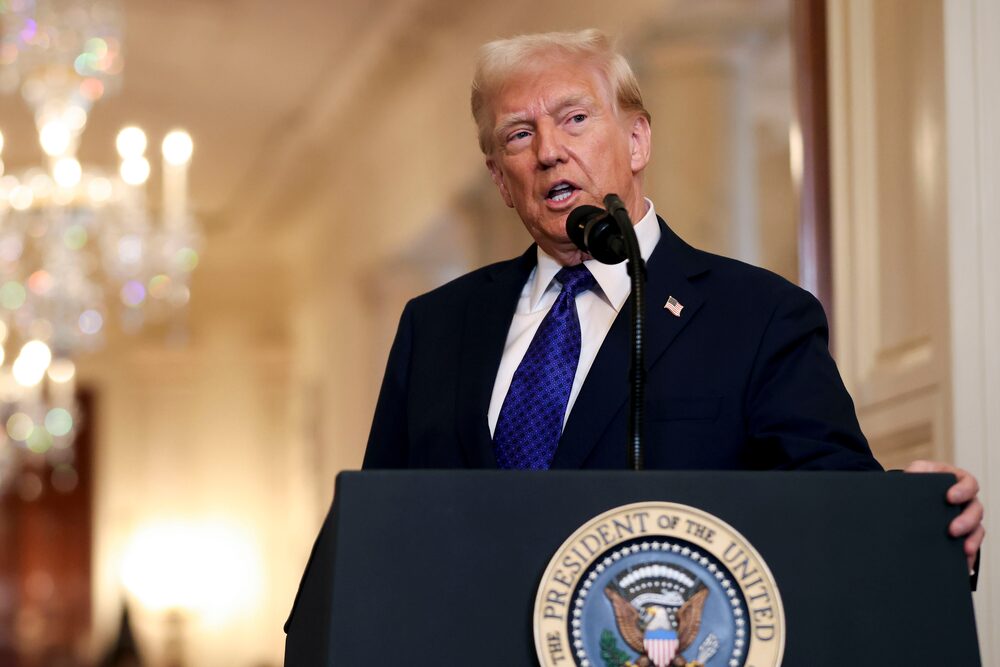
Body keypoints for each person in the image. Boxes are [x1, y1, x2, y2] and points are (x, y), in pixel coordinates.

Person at [361, 29, 983, 572]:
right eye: (519, 135)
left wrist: (912, 516)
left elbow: (830, 499)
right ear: (500, 179)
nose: (549, 150)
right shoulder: (435, 326)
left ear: (636, 142)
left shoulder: (758, 316)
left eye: (575, 118)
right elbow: (376, 534)